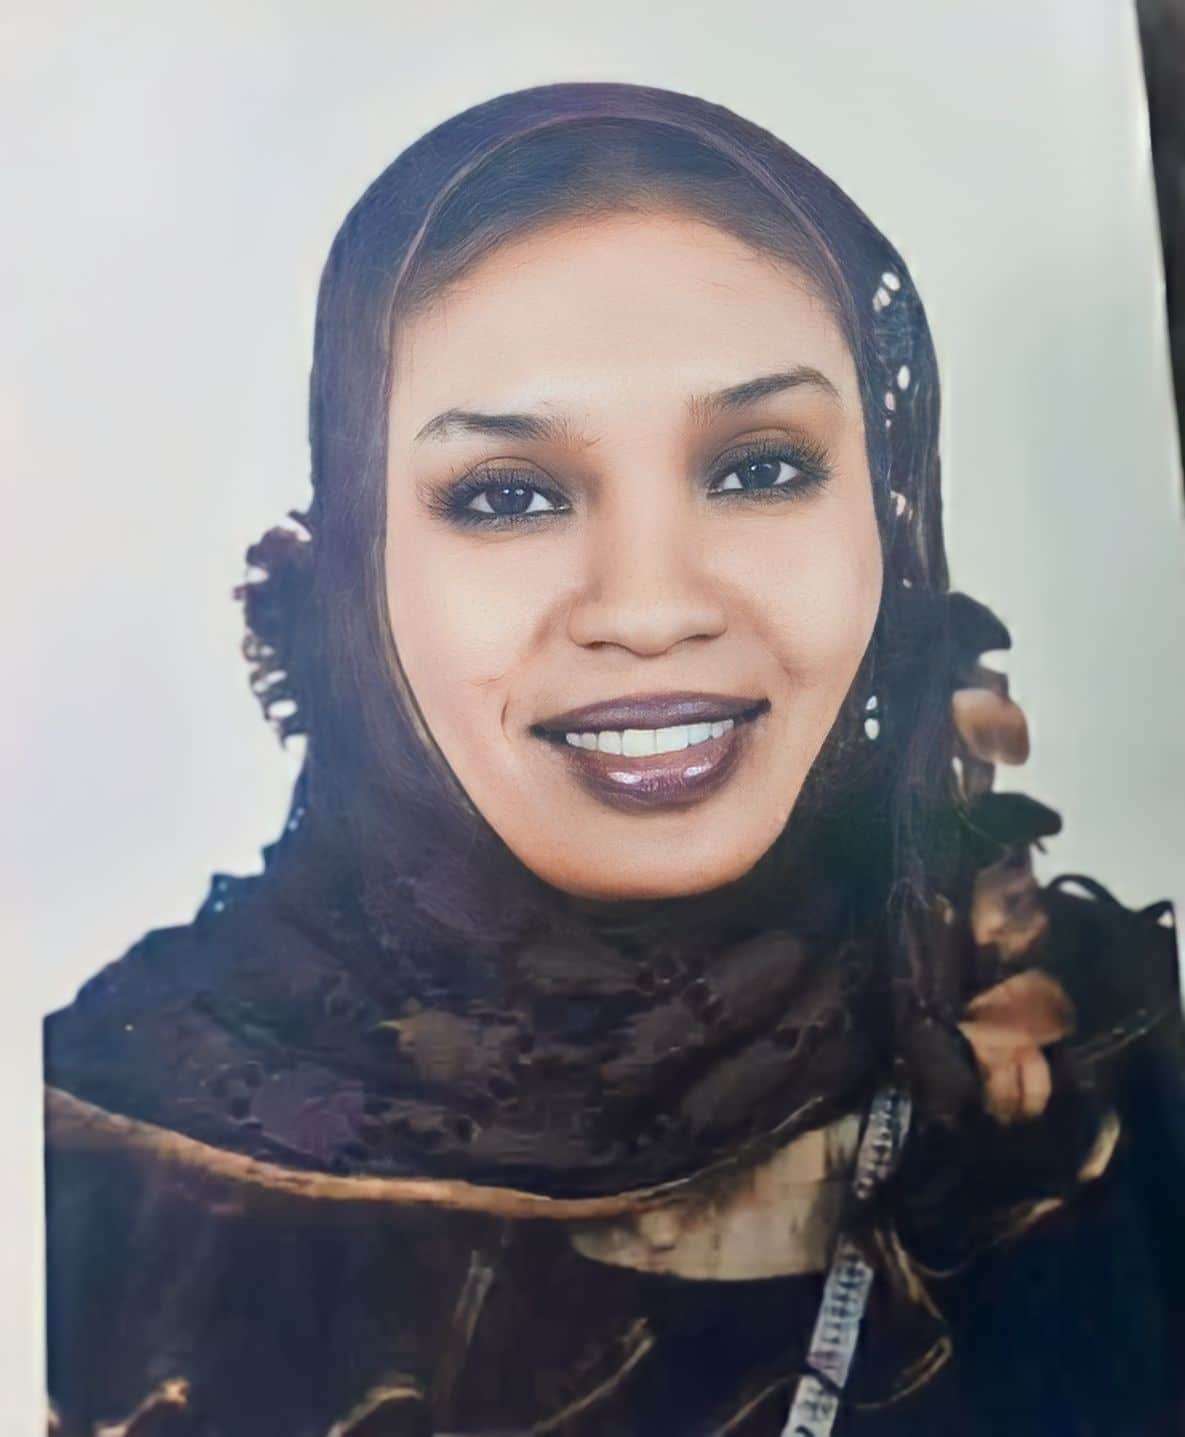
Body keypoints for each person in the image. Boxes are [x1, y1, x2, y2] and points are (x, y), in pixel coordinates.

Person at [43, 81, 1185, 1437]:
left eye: (759, 469)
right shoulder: (91, 1162)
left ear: (886, 513)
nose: (648, 609)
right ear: (357, 569)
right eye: (506, 495)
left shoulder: (1116, 1069)